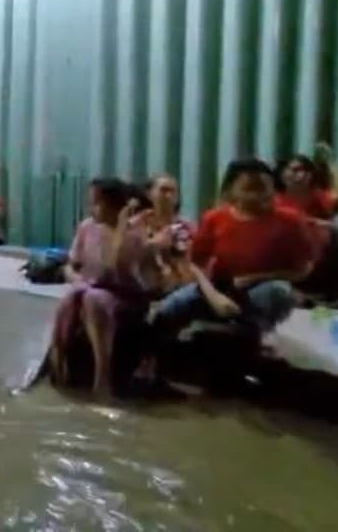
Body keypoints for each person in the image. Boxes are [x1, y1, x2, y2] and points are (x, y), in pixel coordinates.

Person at [151, 158, 314, 341]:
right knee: (168, 310)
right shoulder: (214, 218)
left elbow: (303, 270)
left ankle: (251, 337)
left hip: (263, 291)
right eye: (250, 189)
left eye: (265, 188)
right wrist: (214, 296)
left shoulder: (290, 221)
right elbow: (196, 264)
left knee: (276, 291)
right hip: (220, 288)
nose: (259, 196)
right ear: (231, 191)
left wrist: (255, 278)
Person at [48, 179, 150, 396]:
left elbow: (114, 267)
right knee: (74, 297)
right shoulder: (87, 227)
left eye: (97, 203)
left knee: (94, 299)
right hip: (91, 289)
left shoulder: (135, 233)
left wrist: (121, 229)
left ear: (115, 206)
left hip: (127, 295)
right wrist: (78, 282)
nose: (92, 209)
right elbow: (70, 266)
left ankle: (102, 375)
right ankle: (59, 360)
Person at [276, 148, 338, 296]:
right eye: (295, 170)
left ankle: (328, 290)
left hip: (313, 253)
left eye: (306, 171)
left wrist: (330, 163)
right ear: (282, 174)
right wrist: (314, 222)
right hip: (284, 252)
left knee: (330, 233)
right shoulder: (274, 196)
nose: (302, 175)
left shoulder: (316, 195)